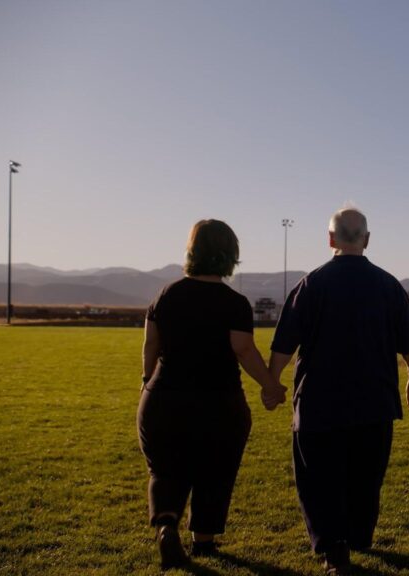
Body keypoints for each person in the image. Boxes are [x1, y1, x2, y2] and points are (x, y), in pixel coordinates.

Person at [270, 206, 409, 575]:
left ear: (330, 239)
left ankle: (334, 549)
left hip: (319, 404)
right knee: (364, 477)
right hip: (373, 403)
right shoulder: (389, 286)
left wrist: (272, 382)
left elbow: (284, 343)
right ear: (367, 240)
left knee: (319, 479)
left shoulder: (311, 284)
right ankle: (355, 535)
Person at [137, 219, 288, 570]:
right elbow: (244, 350)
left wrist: (147, 382)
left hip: (163, 399)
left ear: (192, 251)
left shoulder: (165, 295)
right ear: (230, 255)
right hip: (219, 404)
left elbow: (150, 345)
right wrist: (270, 385)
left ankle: (165, 525)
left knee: (163, 469)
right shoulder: (234, 303)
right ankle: (203, 541)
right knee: (216, 471)